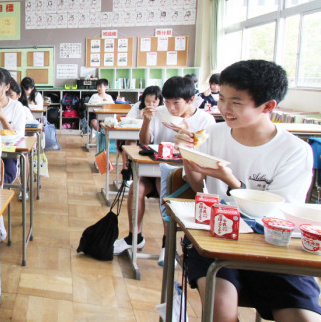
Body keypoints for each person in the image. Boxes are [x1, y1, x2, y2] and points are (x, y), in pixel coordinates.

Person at [175, 60, 320, 321]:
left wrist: (232, 182)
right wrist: (187, 155)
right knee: (221, 310)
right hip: (216, 239)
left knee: (304, 317)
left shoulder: (295, 151)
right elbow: (197, 186)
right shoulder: (212, 134)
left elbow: (275, 215)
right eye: (222, 98)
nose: (224, 108)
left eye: (236, 102)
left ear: (268, 106)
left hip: (274, 248)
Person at [113, 76, 215, 262]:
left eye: (176, 103)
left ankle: (168, 243)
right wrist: (146, 121)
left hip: (185, 176)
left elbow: (205, 155)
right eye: (167, 102)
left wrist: (184, 134)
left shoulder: (205, 120)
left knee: (164, 184)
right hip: (154, 167)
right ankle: (135, 237)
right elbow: (144, 143)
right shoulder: (159, 112)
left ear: (191, 100)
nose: (170, 108)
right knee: (136, 188)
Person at [0, 68, 27, 184]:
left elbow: (19, 137)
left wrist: (2, 118)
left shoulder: (16, 107)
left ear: (7, 87)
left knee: (5, 176)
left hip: (7, 155)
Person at [120, 85, 163, 167]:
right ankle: (128, 169)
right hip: (134, 135)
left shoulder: (162, 110)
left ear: (159, 101)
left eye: (154, 102)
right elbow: (128, 120)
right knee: (130, 142)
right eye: (147, 101)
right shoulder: (138, 106)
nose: (150, 104)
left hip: (153, 141)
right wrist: (140, 117)